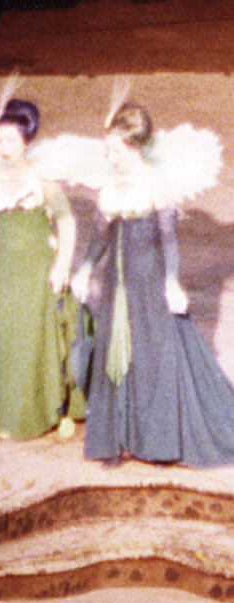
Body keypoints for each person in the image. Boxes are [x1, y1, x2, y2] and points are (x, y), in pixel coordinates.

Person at [71, 102, 234, 466]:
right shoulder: (110, 190)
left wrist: (172, 284)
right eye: (108, 152)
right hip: (118, 286)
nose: (110, 159)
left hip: (149, 283)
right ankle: (118, 439)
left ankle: (156, 442)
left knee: (150, 356)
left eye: (115, 152)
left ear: (134, 147)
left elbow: (169, 241)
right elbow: (100, 238)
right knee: (115, 355)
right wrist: (84, 268)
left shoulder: (157, 186)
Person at [0, 98, 86, 440]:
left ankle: (46, 409)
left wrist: (62, 265)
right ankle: (13, 414)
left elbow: (67, 223)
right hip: (7, 271)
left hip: (38, 268)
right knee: (9, 337)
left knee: (35, 337)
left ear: (26, 141)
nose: (3, 148)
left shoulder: (43, 180)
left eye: (10, 140)